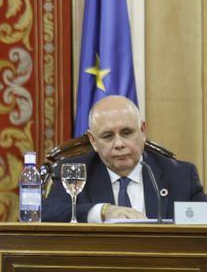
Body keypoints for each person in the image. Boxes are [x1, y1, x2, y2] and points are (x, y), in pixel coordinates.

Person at [43, 95, 207, 222]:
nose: (119, 144)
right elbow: (47, 213)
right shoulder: (74, 171)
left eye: (126, 133)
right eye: (108, 136)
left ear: (143, 130)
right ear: (93, 140)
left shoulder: (180, 175)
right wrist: (103, 212)